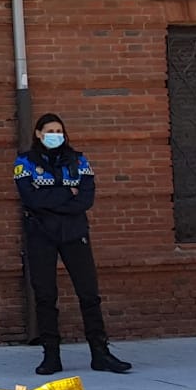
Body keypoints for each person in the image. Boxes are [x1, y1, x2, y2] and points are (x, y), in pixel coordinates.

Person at [14, 114, 130, 376]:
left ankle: (100, 353)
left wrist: (51, 197)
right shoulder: (25, 162)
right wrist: (67, 192)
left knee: (89, 294)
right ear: (39, 133)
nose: (56, 134)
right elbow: (30, 198)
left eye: (59, 130)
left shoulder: (78, 160)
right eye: (50, 130)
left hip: (75, 232)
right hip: (40, 234)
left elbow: (86, 199)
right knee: (45, 296)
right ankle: (51, 356)